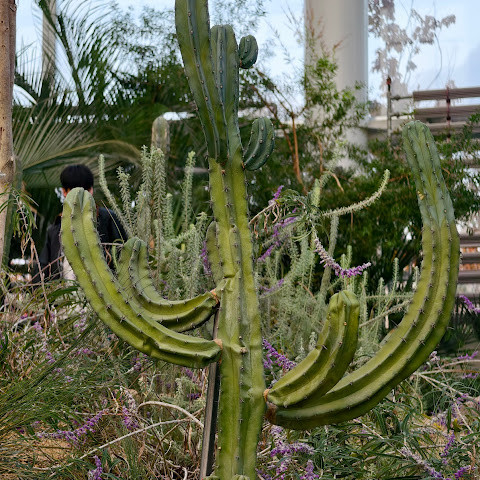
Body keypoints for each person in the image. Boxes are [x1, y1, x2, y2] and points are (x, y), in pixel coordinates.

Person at [35, 164, 127, 282]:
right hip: (64, 291)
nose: (78, 197)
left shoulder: (108, 219)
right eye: (73, 192)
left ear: (91, 191)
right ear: (64, 192)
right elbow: (43, 267)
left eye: (83, 191)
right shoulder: (56, 227)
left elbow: (124, 256)